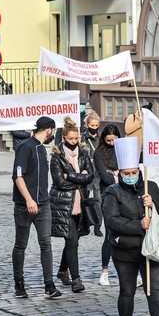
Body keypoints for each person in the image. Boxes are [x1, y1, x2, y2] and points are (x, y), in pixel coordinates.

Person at [102, 136, 159, 316]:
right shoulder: (113, 193)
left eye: (133, 173)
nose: (130, 177)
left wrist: (153, 203)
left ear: (139, 171)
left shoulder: (150, 186)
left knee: (153, 290)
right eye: (125, 174)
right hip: (125, 249)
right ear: (120, 174)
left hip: (150, 249)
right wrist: (139, 225)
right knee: (127, 291)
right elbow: (111, 220)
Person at [11, 116, 62, 300]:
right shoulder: (25, 147)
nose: (52, 135)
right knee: (21, 245)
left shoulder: (43, 149)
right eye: (53, 131)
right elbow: (18, 176)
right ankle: (19, 283)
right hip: (25, 205)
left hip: (44, 203)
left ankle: (49, 284)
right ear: (49, 130)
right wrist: (28, 200)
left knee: (46, 244)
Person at [50, 117, 94, 294]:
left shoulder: (83, 154)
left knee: (72, 241)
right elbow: (60, 182)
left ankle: (62, 270)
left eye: (76, 139)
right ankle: (76, 279)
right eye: (71, 139)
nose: (74, 142)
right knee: (72, 241)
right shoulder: (57, 156)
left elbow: (90, 176)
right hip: (63, 205)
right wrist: (78, 177)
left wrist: (71, 176)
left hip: (80, 204)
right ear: (64, 138)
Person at [93, 123, 122, 286]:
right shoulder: (99, 153)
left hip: (126, 196)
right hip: (108, 195)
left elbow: (130, 170)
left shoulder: (122, 149)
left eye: (114, 140)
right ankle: (105, 270)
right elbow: (106, 177)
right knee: (110, 234)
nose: (111, 143)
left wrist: (118, 173)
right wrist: (116, 174)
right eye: (108, 140)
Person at [81, 112, 103, 237]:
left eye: (96, 125)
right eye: (92, 125)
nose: (94, 127)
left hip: (98, 173)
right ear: (87, 125)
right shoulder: (82, 138)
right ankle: (85, 223)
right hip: (86, 172)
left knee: (98, 200)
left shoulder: (101, 138)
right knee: (84, 199)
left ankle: (98, 226)